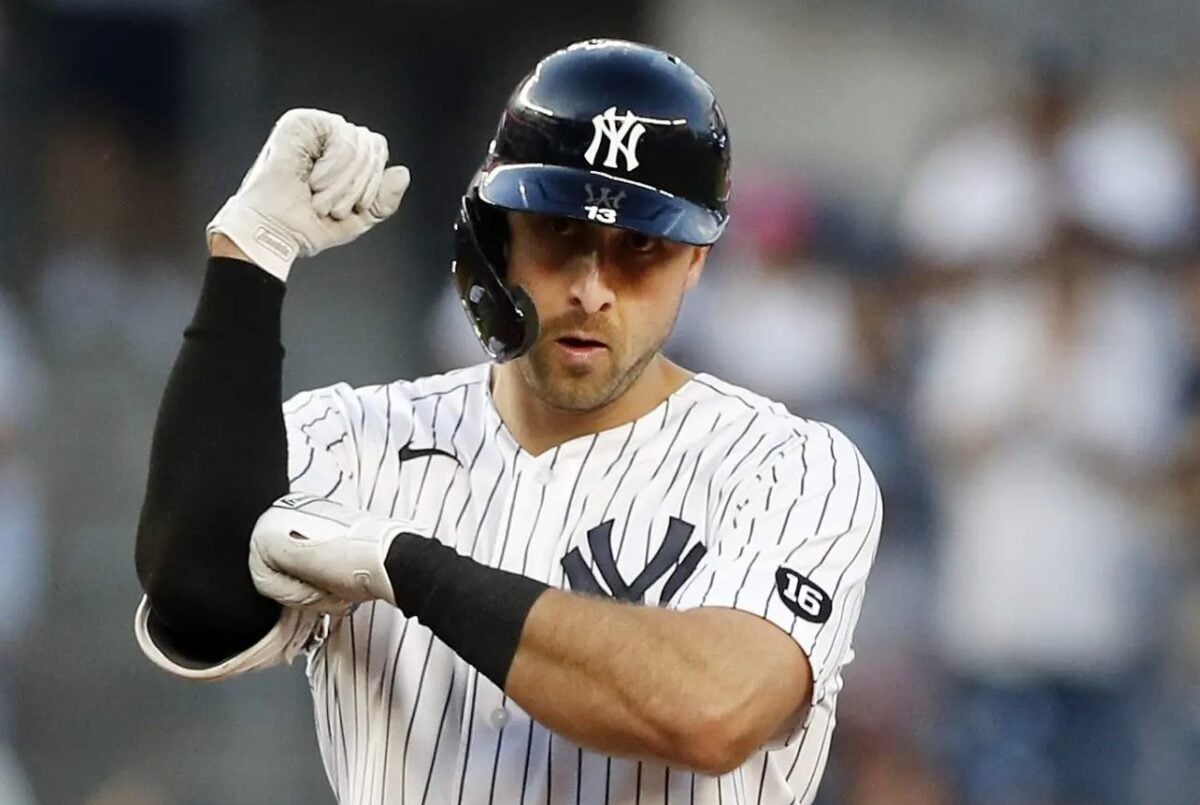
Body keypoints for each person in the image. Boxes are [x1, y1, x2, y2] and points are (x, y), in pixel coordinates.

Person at [133, 39, 881, 804]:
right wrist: (249, 256)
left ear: (695, 260)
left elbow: (714, 709)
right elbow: (195, 599)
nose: (593, 288)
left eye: (641, 247)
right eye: (561, 232)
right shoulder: (355, 438)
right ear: (499, 234)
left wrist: (402, 566)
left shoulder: (790, 465)